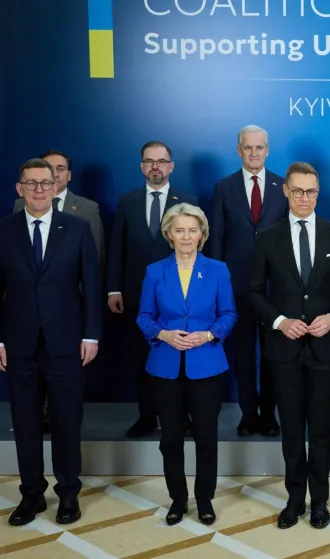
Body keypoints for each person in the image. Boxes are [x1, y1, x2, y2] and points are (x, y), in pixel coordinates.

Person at [0, 158, 102, 526]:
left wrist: (91, 334)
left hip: (66, 342)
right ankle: (31, 494)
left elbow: (93, 287)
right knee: (26, 422)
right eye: (30, 183)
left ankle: (68, 494)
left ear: (56, 186)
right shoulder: (1, 230)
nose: (38, 190)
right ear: (19, 189)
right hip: (18, 346)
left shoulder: (78, 228)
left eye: (45, 183)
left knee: (67, 422)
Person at [248, 162, 330, 530]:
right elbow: (253, 291)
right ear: (285, 191)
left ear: (318, 192)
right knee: (293, 430)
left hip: (324, 350)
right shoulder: (268, 237)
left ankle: (320, 502)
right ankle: (294, 499)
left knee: (322, 430)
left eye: (310, 191)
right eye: (297, 191)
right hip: (283, 351)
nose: (304, 198)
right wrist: (281, 322)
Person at [136, 203, 238, 527]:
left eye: (193, 230)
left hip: (206, 364)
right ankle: (177, 500)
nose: (186, 236)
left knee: (207, 435)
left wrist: (209, 334)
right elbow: (143, 317)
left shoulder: (218, 269)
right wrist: (163, 333)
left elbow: (229, 314)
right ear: (169, 234)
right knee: (171, 438)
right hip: (165, 366)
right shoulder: (155, 271)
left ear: (202, 234)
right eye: (179, 230)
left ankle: (204, 498)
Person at [11, 150, 106, 435]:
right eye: (48, 169)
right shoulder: (19, 206)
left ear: (67, 175)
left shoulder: (87, 209)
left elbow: (94, 263)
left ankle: (59, 419)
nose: (54, 174)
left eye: (60, 169)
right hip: (28, 312)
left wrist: (85, 315)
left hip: (68, 312)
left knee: (65, 387)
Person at [107, 141, 197, 439]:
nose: (155, 166)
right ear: (141, 166)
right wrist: (113, 289)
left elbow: (197, 248)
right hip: (136, 294)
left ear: (171, 166)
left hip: (179, 294)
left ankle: (182, 418)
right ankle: (146, 417)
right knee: (142, 357)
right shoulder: (127, 201)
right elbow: (117, 248)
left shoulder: (187, 200)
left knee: (179, 356)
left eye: (161, 161)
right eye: (149, 161)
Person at [207, 125, 287, 438]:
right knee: (242, 355)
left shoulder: (283, 186)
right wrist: (216, 286)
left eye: (259, 148)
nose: (253, 153)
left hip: (273, 287)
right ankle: (248, 414)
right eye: (247, 148)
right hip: (236, 286)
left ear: (267, 150)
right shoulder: (223, 187)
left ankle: (268, 414)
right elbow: (217, 241)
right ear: (239, 150)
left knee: (271, 354)